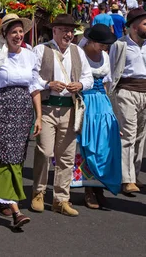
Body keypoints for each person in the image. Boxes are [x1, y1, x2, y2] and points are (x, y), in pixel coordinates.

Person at [0, 14, 41, 228]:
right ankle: (15, 210)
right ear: (5, 34)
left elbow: (34, 87)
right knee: (5, 157)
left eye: (21, 31)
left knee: (17, 157)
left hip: (22, 113)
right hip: (0, 110)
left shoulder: (30, 55)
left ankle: (4, 198)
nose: (19, 35)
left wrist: (38, 116)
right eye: (14, 32)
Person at [30, 14, 94, 217]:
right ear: (54, 31)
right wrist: (47, 84)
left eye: (71, 31)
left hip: (69, 109)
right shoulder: (41, 50)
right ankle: (38, 192)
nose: (69, 34)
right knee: (44, 151)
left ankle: (61, 198)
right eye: (64, 30)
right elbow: (31, 76)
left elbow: (88, 77)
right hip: (48, 107)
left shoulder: (77, 52)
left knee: (66, 156)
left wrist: (81, 85)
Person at [108, 9, 146, 194]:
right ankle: (126, 179)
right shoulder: (120, 45)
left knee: (140, 136)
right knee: (127, 135)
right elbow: (112, 71)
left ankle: (135, 174)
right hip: (126, 91)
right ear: (134, 26)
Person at [74, 24, 121, 209]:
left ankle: (101, 186)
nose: (105, 47)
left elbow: (107, 82)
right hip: (84, 101)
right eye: (102, 43)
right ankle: (88, 189)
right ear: (91, 41)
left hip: (102, 102)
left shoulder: (106, 56)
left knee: (106, 144)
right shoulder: (78, 54)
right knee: (86, 146)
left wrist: (108, 105)